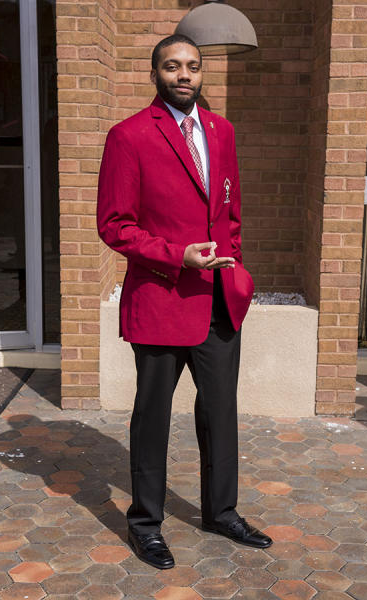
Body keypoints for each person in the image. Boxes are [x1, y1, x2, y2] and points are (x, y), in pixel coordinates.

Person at [97, 34, 273, 570]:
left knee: (220, 414)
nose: (183, 75)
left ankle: (221, 512)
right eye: (172, 66)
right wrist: (179, 257)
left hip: (219, 300)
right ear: (155, 73)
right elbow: (115, 225)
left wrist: (233, 266)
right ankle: (145, 525)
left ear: (201, 74)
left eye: (192, 66)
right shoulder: (129, 135)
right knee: (152, 418)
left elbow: (230, 211)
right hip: (160, 298)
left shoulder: (222, 131)